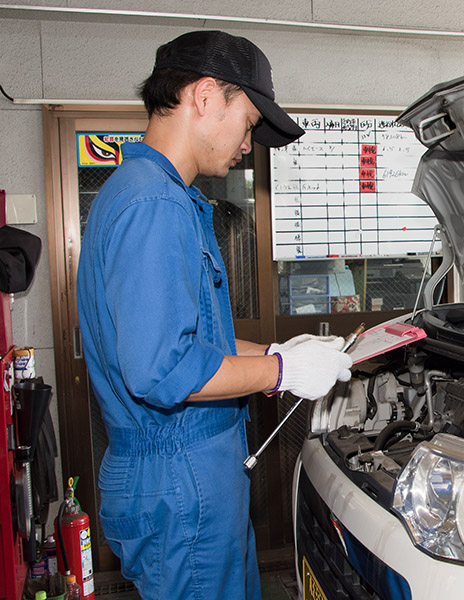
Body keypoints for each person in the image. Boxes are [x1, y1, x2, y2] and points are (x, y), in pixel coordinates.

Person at [76, 30, 352, 600]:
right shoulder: (154, 205)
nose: (248, 144)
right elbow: (161, 369)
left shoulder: (149, 194)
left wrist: (281, 352)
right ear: (204, 98)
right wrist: (280, 375)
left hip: (187, 478)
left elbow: (202, 343)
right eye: (248, 122)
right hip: (180, 481)